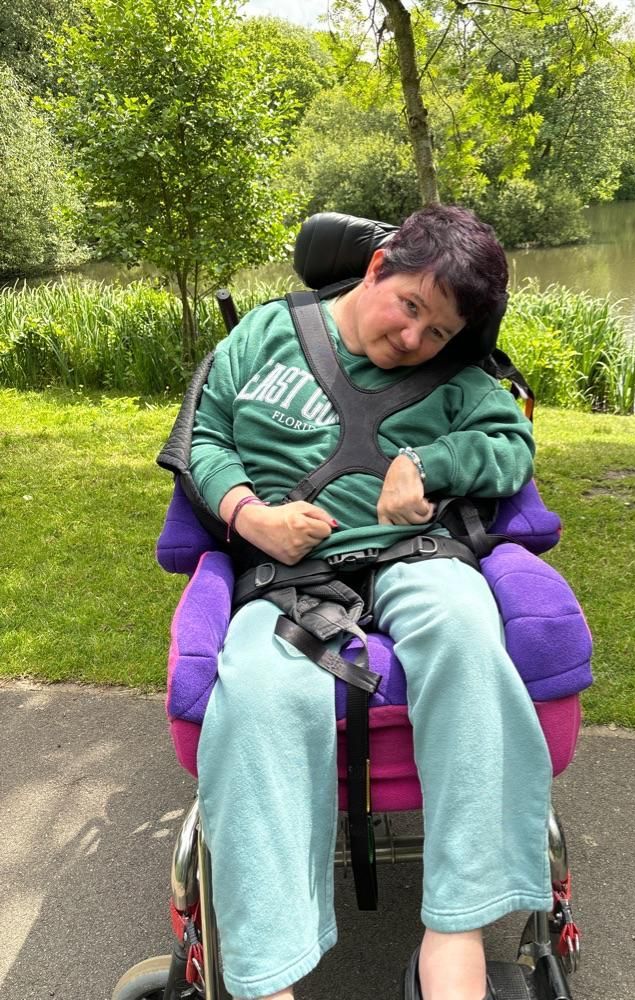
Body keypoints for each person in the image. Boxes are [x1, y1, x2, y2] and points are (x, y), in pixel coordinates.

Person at [189, 204, 553, 1000]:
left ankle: (454, 932)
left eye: (440, 331)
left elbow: (510, 446)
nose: (417, 339)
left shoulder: (458, 377)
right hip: (289, 573)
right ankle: (267, 975)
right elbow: (203, 435)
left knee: (462, 631)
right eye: (411, 307)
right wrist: (250, 514)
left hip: (414, 554)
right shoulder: (262, 334)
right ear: (379, 266)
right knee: (257, 689)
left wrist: (428, 461)